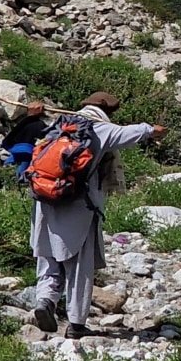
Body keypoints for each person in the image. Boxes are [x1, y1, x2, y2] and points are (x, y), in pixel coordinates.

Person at [29, 92, 165, 339]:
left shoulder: (59, 125)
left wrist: (33, 114)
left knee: (48, 257)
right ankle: (77, 324)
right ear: (108, 112)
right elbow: (131, 133)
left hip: (44, 202)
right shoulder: (100, 129)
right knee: (79, 265)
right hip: (78, 206)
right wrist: (153, 130)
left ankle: (45, 301)